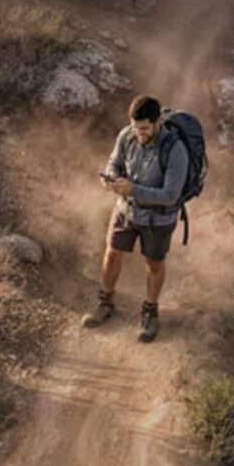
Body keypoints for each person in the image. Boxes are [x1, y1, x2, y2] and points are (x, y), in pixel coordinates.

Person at [82, 94, 189, 343]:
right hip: (126, 210)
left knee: (153, 264)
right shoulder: (127, 135)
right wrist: (109, 178)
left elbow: (171, 196)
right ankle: (105, 303)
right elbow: (114, 162)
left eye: (144, 128)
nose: (139, 133)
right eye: (135, 127)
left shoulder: (175, 149)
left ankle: (150, 313)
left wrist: (134, 190)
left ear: (157, 122)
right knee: (112, 253)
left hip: (159, 219)